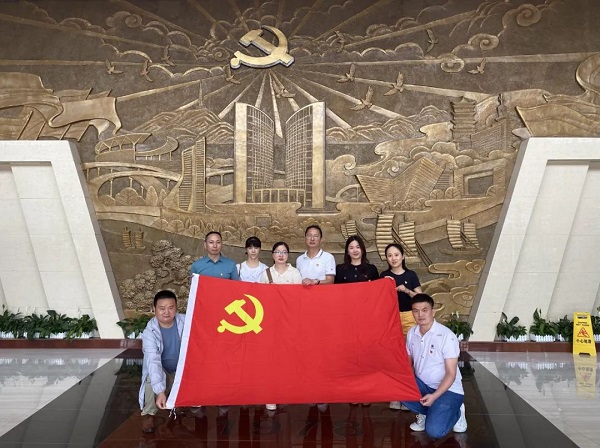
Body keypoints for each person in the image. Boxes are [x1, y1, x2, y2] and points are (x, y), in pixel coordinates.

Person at [400, 293, 467, 438]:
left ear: (433, 312)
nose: (420, 315)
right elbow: (408, 363)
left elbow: (451, 374)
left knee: (435, 431)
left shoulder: (446, 336)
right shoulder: (412, 333)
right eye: (416, 311)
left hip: (448, 390)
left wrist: (435, 395)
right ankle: (426, 412)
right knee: (396, 385)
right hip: (423, 385)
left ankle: (457, 412)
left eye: (425, 310)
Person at [260, 241, 303, 411]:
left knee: (288, 356)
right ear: (272, 255)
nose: (281, 255)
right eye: (278, 252)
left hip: (289, 322)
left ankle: (286, 391)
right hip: (270, 322)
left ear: (288, 255)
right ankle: (271, 394)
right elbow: (260, 299)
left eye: (284, 252)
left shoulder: (295, 273)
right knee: (271, 358)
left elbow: (299, 299)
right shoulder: (266, 274)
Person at [296, 225, 335, 413]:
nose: (312, 239)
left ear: (321, 239)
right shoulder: (299, 260)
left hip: (323, 310)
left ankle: (323, 392)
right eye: (309, 235)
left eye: (316, 236)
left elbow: (331, 281)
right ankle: (310, 391)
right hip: (304, 312)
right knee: (307, 351)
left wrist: (315, 282)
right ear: (305, 238)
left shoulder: (328, 258)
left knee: (323, 352)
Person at [380, 243, 423, 410]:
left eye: (396, 254)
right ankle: (395, 395)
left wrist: (406, 290)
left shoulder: (411, 275)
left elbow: (420, 297)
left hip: (409, 317)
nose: (393, 258)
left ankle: (408, 396)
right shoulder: (384, 276)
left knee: (408, 357)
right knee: (393, 356)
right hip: (390, 319)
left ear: (403, 256)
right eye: (390, 255)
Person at [139, 290, 185, 433]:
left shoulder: (186, 322)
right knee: (150, 379)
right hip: (162, 369)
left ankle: (182, 406)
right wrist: (160, 391)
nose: (166, 312)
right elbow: (153, 362)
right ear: (154, 309)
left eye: (171, 308)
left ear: (176, 308)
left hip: (182, 369)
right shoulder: (149, 332)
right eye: (162, 308)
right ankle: (149, 415)